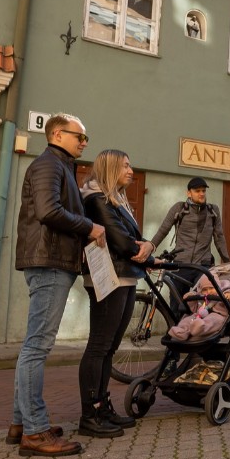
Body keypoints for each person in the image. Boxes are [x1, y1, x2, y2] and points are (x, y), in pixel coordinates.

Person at [10, 113, 105, 458]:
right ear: (57, 134)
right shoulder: (49, 164)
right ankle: (34, 432)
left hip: (50, 261)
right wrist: (89, 227)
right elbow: (49, 211)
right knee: (37, 347)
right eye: (80, 136)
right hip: (49, 262)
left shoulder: (58, 165)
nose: (84, 142)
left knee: (33, 346)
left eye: (85, 137)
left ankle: (21, 424)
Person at [78, 150, 153, 437]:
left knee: (109, 347)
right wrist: (144, 251)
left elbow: (135, 237)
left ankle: (102, 406)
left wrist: (147, 247)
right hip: (108, 277)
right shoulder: (96, 199)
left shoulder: (117, 199)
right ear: (110, 168)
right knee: (99, 345)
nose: (131, 171)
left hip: (125, 276)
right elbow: (122, 241)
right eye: (125, 166)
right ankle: (90, 414)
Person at [150, 176, 230, 268]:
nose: (202, 194)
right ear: (189, 193)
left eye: (203, 191)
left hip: (203, 265)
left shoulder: (213, 211)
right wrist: (148, 252)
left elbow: (219, 238)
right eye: (197, 191)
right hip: (181, 264)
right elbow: (163, 230)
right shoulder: (179, 208)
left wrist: (227, 262)